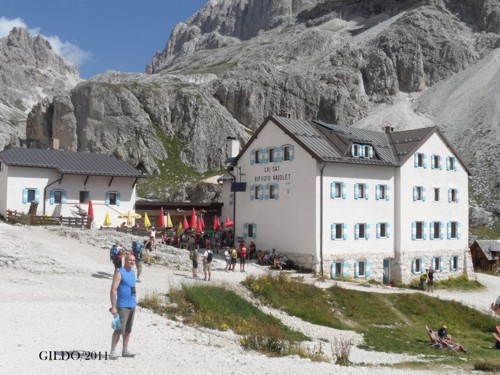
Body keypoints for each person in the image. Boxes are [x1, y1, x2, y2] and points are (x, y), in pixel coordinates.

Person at [109, 253, 137, 359]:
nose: (132, 262)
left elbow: (132, 288)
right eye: (130, 260)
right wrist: (114, 306)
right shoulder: (120, 272)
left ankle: (125, 350)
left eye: (134, 260)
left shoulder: (133, 273)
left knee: (128, 330)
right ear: (125, 261)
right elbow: (113, 289)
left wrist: (135, 301)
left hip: (132, 305)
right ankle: (112, 351)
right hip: (122, 306)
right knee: (119, 330)